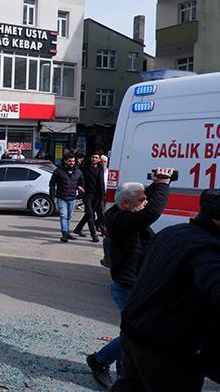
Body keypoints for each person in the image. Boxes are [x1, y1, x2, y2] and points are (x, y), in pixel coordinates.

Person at [112, 189, 220, 391]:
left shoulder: (172, 231)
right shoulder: (208, 249)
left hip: (134, 329)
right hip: (164, 347)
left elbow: (141, 265)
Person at [85, 169, 172, 388]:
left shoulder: (124, 210)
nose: (145, 202)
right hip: (127, 286)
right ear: (125, 203)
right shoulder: (122, 220)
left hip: (134, 283)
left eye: (144, 199)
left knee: (134, 332)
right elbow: (152, 212)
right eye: (141, 200)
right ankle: (104, 362)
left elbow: (143, 200)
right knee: (135, 333)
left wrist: (155, 183)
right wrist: (163, 185)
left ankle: (111, 366)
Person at [49, 153, 84, 242]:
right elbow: (52, 183)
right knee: (63, 216)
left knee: (69, 216)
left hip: (72, 197)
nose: (72, 163)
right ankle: (64, 233)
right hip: (61, 197)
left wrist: (80, 191)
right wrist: (52, 194)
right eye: (70, 161)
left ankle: (67, 232)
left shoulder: (78, 171)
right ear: (65, 161)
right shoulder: (58, 171)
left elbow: (81, 184)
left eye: (73, 161)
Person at [73, 152, 104, 242]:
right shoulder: (84, 167)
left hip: (97, 195)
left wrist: (102, 195)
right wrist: (79, 186)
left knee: (89, 214)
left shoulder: (100, 168)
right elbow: (75, 172)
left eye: (96, 157)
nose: (94, 159)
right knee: (90, 214)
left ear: (98, 160)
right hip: (87, 195)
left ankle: (78, 229)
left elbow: (101, 182)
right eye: (93, 157)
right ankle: (94, 235)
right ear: (90, 158)